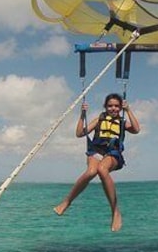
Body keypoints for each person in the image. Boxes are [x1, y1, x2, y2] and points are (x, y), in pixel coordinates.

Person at [54, 93, 140, 231]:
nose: (113, 108)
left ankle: (115, 211)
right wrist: (82, 115)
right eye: (110, 106)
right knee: (91, 171)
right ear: (105, 107)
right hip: (96, 151)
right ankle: (67, 201)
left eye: (117, 106)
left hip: (113, 153)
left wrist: (128, 110)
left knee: (102, 170)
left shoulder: (123, 122)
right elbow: (79, 133)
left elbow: (136, 130)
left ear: (120, 107)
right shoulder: (99, 119)